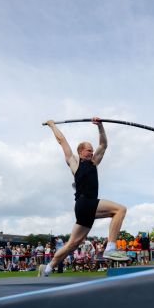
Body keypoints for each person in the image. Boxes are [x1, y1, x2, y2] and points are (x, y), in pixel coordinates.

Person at [41, 117, 127, 276]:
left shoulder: (94, 162)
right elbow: (62, 141)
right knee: (120, 210)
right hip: (85, 203)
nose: (92, 152)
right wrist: (52, 125)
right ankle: (111, 248)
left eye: (92, 150)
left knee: (72, 244)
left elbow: (104, 145)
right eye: (89, 150)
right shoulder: (74, 163)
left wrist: (100, 126)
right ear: (80, 151)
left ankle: (48, 268)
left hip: (85, 208)